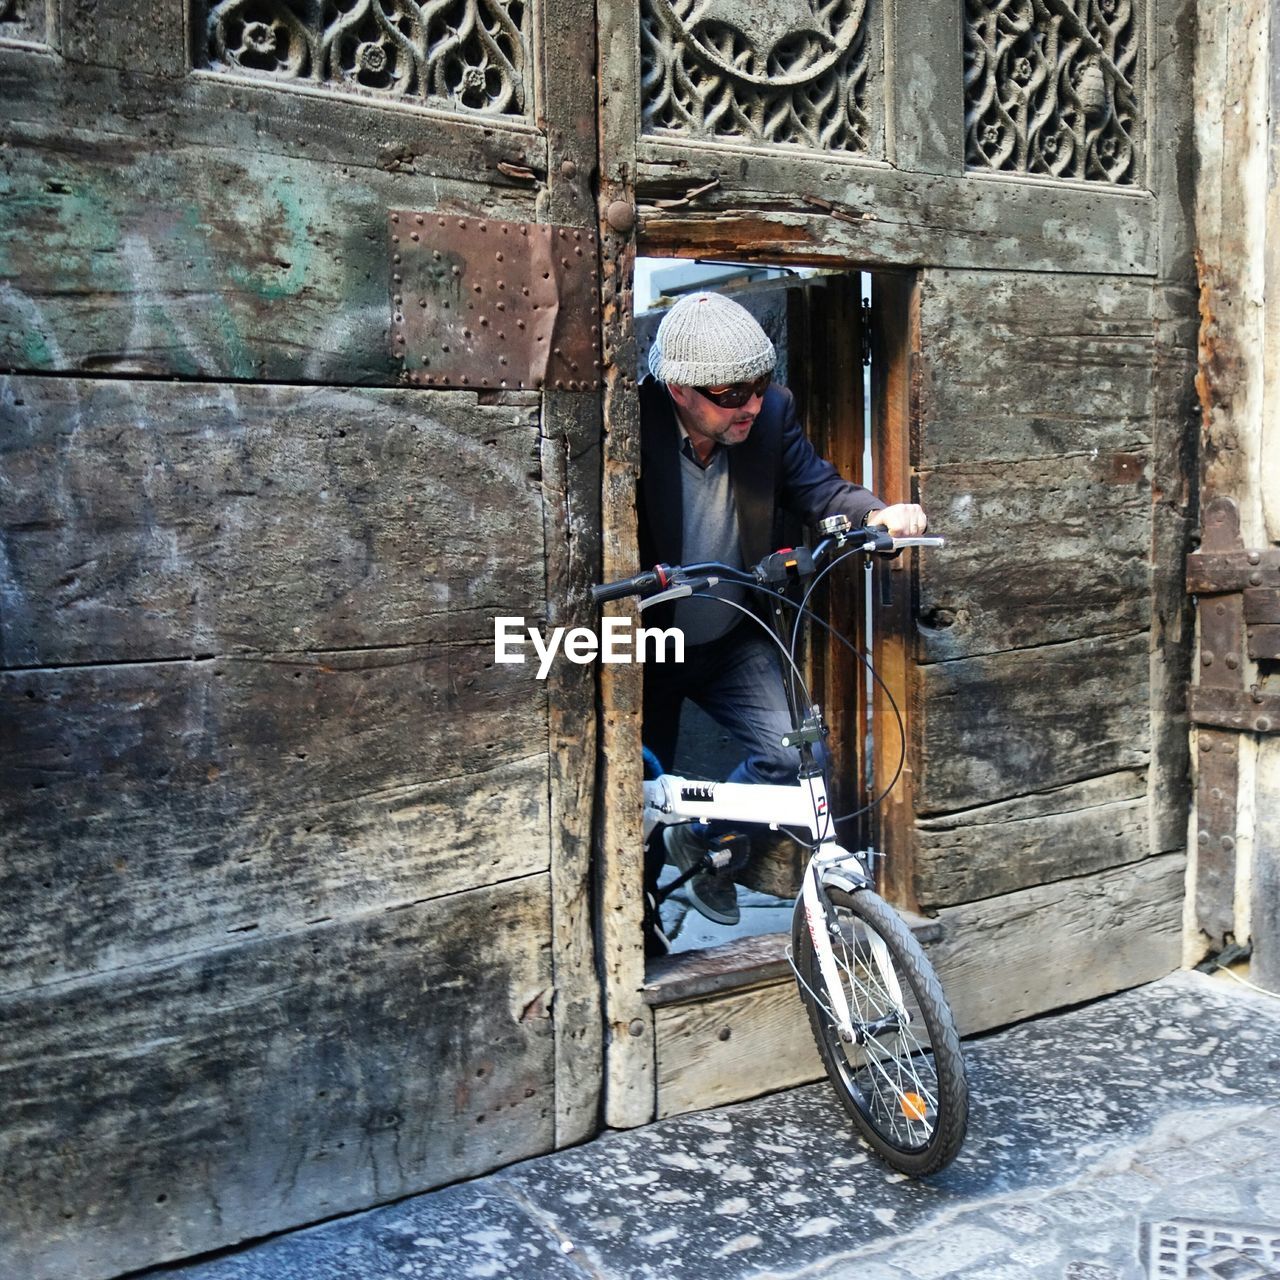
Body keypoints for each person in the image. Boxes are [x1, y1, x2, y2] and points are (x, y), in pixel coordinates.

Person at [638, 290, 926, 932]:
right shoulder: (629, 425)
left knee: (797, 756)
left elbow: (817, 486)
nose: (753, 404)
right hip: (646, 645)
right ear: (679, 390)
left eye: (761, 385)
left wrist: (876, 514)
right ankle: (644, 921)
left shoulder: (769, 418)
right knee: (638, 799)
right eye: (732, 394)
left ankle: (706, 836)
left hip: (732, 635)